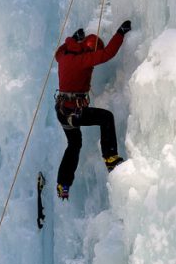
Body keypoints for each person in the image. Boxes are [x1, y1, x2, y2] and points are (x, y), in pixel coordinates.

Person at [54, 21, 131, 199]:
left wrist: (72, 39)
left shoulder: (64, 56)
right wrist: (120, 33)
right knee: (106, 117)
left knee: (74, 145)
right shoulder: (84, 59)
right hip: (75, 112)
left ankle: (63, 184)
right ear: (89, 49)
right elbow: (108, 54)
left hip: (62, 112)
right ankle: (110, 158)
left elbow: (58, 52)